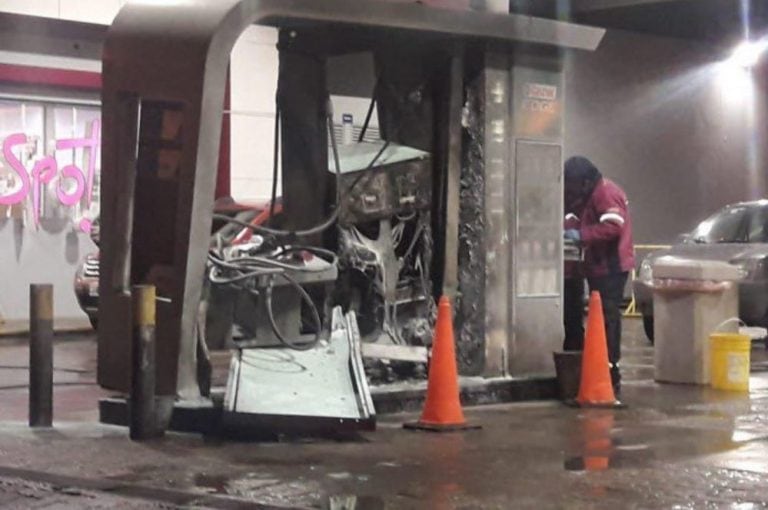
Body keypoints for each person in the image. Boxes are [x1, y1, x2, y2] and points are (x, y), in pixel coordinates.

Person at [563, 156, 634, 396]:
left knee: (607, 320)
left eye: (572, 184)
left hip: (610, 269)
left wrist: (581, 235)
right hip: (597, 267)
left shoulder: (605, 193)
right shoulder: (589, 195)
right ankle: (601, 369)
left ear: (583, 181)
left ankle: (610, 372)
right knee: (600, 320)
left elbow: (614, 226)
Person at [563, 200, 585, 352]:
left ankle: (574, 351)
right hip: (570, 275)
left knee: (572, 319)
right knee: (572, 319)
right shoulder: (573, 220)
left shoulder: (573, 221)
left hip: (572, 276)